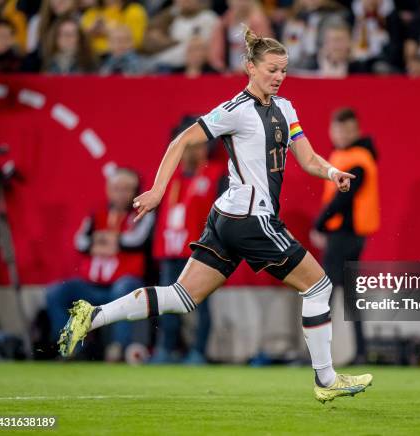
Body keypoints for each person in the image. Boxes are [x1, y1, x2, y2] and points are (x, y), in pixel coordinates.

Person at [58, 26, 372, 403]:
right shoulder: (233, 111)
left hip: (227, 217)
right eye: (271, 69)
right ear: (250, 68)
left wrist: (332, 172)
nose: (279, 77)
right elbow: (181, 141)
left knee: (181, 296)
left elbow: (307, 158)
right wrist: (158, 190)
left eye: (284, 70)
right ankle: (325, 379)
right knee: (319, 286)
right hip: (251, 219)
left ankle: (93, 316)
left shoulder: (286, 109)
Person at [46, 168, 155, 361]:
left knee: (125, 289)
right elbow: (80, 242)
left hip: (123, 283)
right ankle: (72, 346)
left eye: (127, 189)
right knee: (56, 292)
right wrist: (109, 242)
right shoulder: (97, 215)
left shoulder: (142, 213)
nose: (121, 193)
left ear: (136, 190)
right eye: (116, 188)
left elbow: (137, 240)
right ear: (108, 190)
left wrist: (105, 241)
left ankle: (118, 348)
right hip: (91, 284)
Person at [150, 126, 225, 364]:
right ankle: (166, 349)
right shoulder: (171, 176)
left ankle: (198, 352)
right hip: (170, 249)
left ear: (204, 148)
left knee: (201, 305)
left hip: (200, 249)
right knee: (167, 304)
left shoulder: (216, 175)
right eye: (185, 148)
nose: (188, 153)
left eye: (193, 146)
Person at [311, 107, 380, 364]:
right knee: (351, 296)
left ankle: (318, 354)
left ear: (357, 130)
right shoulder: (349, 155)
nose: (342, 134)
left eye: (348, 129)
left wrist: (320, 224)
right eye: (339, 129)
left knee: (324, 293)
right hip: (351, 235)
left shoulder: (357, 158)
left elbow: (343, 197)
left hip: (344, 236)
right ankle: (361, 351)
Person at [141, 0, 219, 70]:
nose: (185, 1)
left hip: (198, 68)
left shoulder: (208, 18)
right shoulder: (170, 16)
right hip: (164, 65)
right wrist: (175, 42)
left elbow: (204, 48)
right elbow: (148, 39)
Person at [80, 0, 148, 55]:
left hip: (119, 57)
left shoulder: (134, 11)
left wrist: (107, 31)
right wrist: (90, 31)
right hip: (91, 57)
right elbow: (79, 38)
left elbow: (137, 42)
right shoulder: (93, 12)